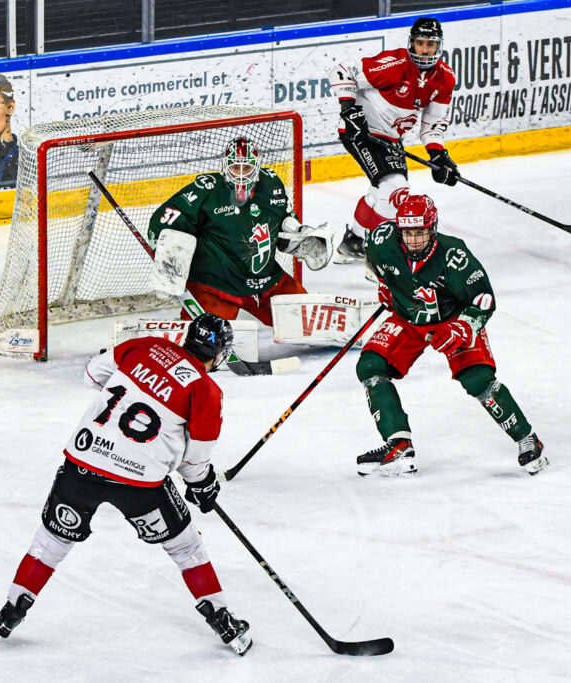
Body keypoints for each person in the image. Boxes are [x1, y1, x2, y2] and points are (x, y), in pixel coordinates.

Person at [0, 313, 253, 656]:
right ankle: (223, 622)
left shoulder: (146, 345)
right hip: (139, 482)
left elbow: (92, 374)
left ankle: (9, 615)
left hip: (83, 462)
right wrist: (203, 485)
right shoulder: (206, 390)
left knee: (51, 541)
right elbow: (193, 464)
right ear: (218, 354)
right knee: (186, 548)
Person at [354, 194, 548, 477]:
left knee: (477, 378)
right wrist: (385, 284)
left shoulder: (454, 256)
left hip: (451, 320)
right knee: (371, 365)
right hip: (408, 318)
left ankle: (527, 439)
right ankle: (398, 445)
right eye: (408, 233)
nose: (414, 240)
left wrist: (463, 327)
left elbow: (483, 299)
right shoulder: (382, 239)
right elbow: (374, 261)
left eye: (420, 232)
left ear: (432, 228)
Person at [147, 136, 333, 326]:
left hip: (264, 280)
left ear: (257, 167)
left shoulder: (271, 185)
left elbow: (282, 222)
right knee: (206, 337)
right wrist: (167, 264)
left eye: (247, 168)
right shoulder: (208, 190)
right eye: (236, 168)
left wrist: (300, 234)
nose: (241, 175)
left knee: (309, 321)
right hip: (217, 284)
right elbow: (162, 221)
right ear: (226, 166)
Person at [329, 17, 457, 263]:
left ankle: (354, 242)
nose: (424, 49)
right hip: (361, 131)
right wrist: (348, 109)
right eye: (420, 43)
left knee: (380, 191)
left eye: (430, 44)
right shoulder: (395, 65)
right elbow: (342, 71)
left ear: (438, 46)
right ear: (412, 42)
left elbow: (433, 122)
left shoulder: (445, 78)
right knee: (394, 191)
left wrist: (438, 155)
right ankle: (381, 258)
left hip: (390, 137)